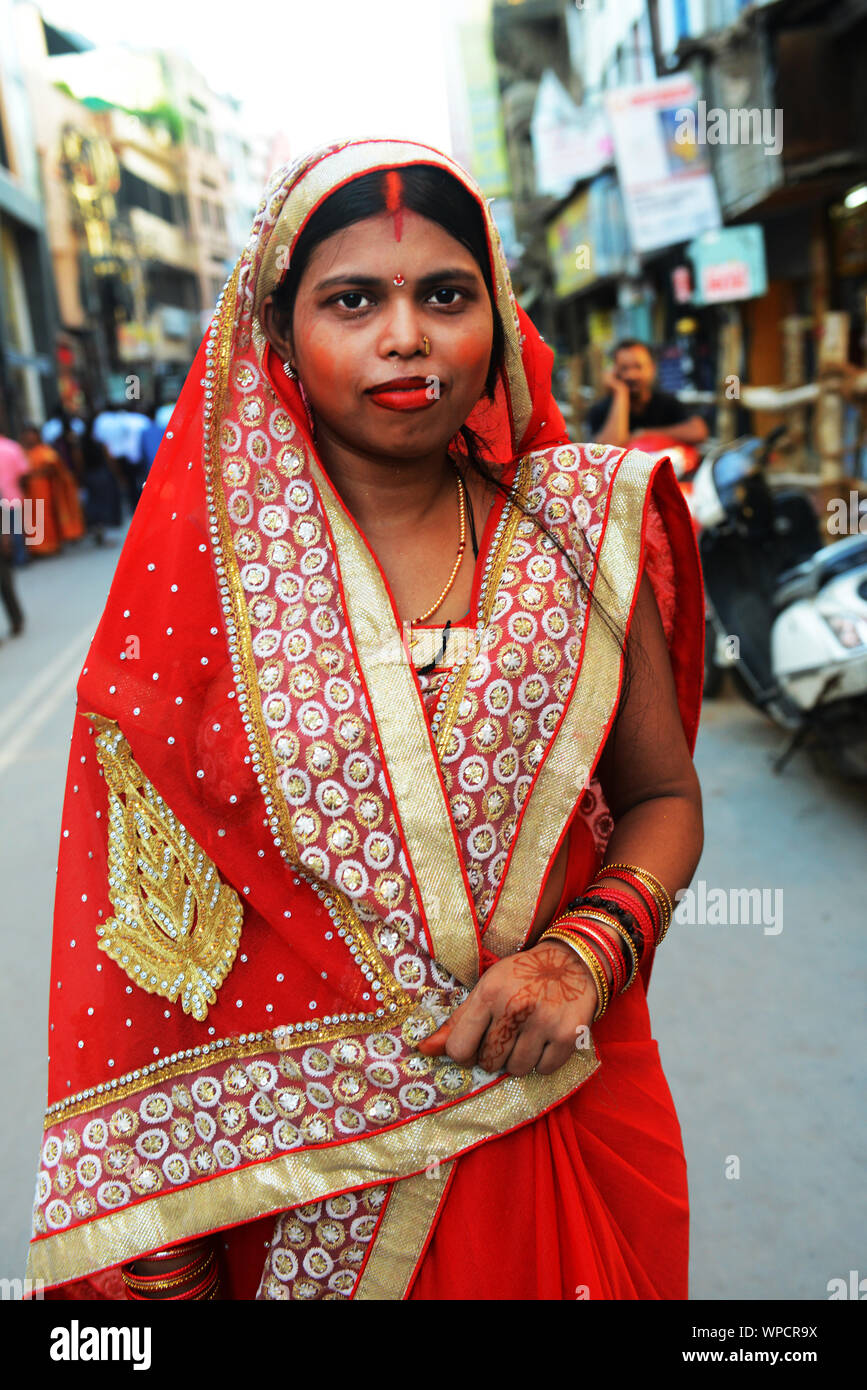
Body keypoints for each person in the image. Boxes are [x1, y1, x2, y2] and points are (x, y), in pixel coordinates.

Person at [27, 138, 704, 1302]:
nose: (407, 335)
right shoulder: (201, 603)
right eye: (354, 300)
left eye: (446, 295)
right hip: (294, 1196)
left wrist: (580, 956)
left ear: (494, 318)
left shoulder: (582, 529)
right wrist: (157, 1218)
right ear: (280, 336)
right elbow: (134, 933)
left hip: (550, 1121)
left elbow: (662, 798)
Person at [587, 338, 709, 449]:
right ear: (614, 372)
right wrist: (620, 392)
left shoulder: (667, 403)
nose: (632, 375)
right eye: (624, 368)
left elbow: (699, 432)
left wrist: (646, 434)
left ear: (652, 369)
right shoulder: (601, 410)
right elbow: (609, 448)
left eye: (638, 367)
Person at [20, 423, 86, 555]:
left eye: (32, 435)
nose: (29, 438)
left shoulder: (46, 452)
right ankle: (36, 548)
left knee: (45, 518)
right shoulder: (24, 453)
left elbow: (56, 469)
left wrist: (37, 474)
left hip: (44, 490)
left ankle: (50, 545)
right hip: (29, 492)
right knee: (31, 519)